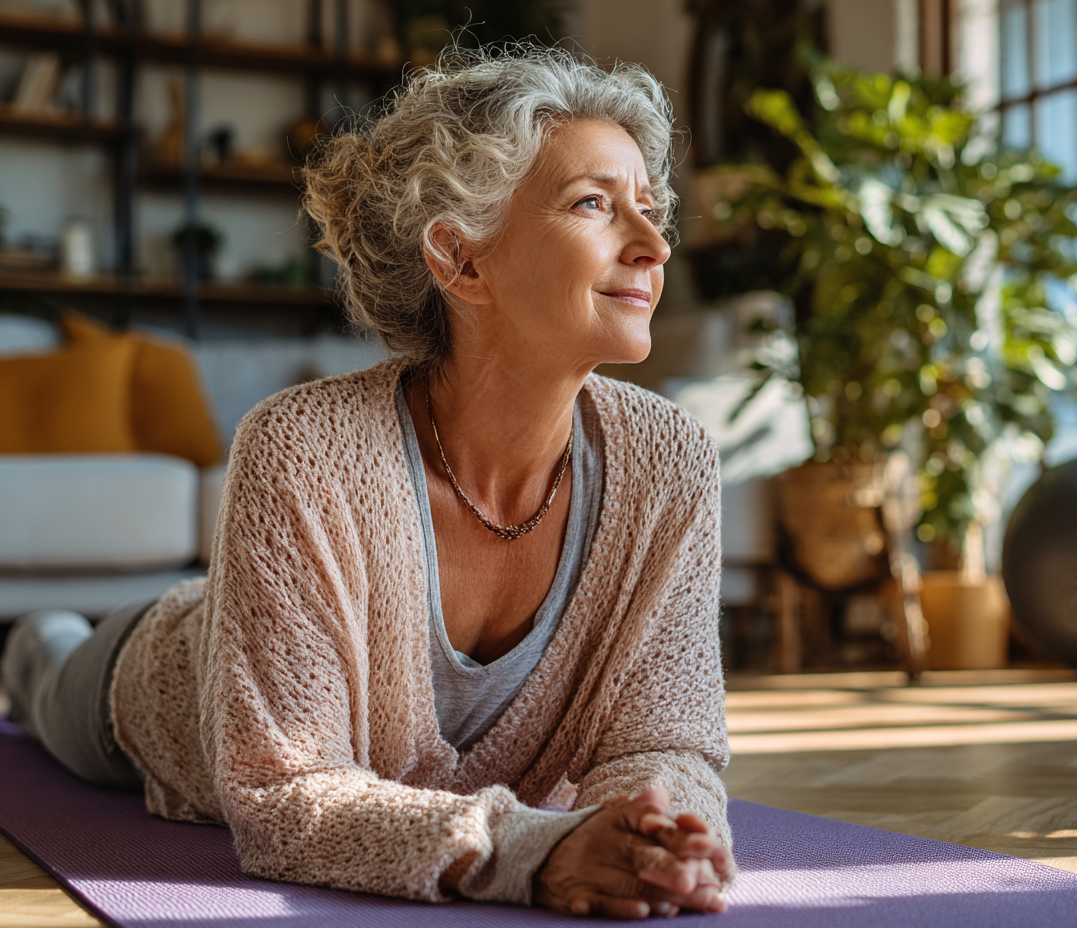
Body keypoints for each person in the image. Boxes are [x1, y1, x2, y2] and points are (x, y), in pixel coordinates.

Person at [0, 45, 733, 919]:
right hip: (157, 680)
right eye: (593, 206)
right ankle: (32, 640)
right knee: (44, 680)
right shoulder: (301, 446)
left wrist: (659, 833)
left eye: (649, 210)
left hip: (260, 633)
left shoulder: (673, 460)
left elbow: (669, 742)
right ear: (462, 261)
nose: (653, 245)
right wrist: (533, 851)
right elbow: (284, 793)